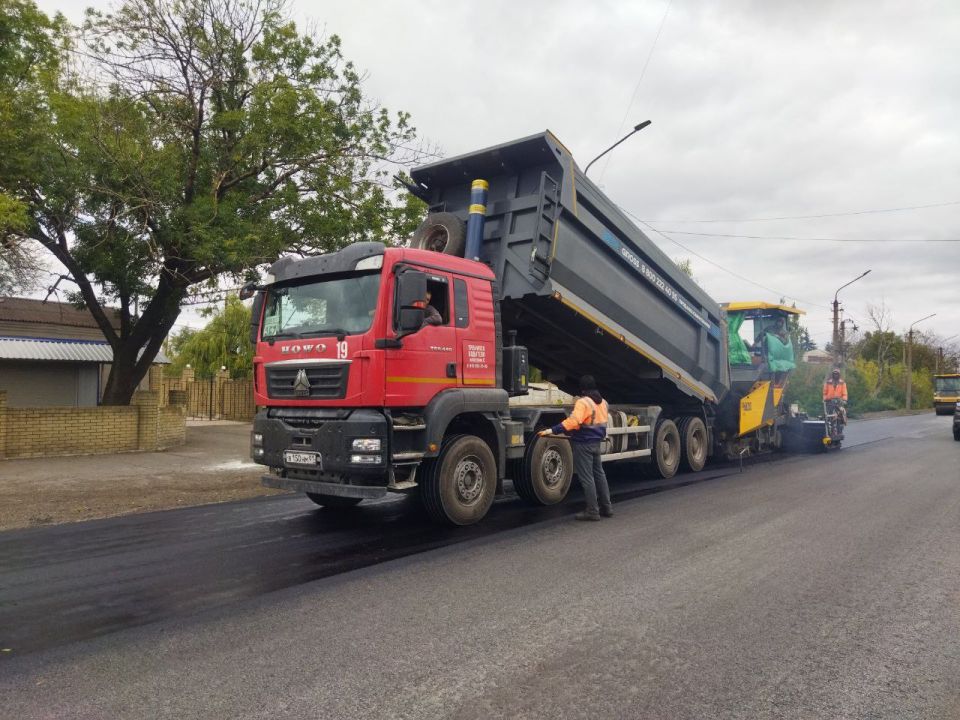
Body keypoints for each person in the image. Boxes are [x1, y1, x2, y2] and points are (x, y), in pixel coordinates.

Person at [538, 375, 612, 521]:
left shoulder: (583, 402)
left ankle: (592, 511)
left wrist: (552, 430)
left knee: (587, 478)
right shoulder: (603, 402)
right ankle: (607, 507)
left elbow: (573, 422)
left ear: (582, 389)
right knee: (599, 474)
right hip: (596, 443)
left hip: (583, 444)